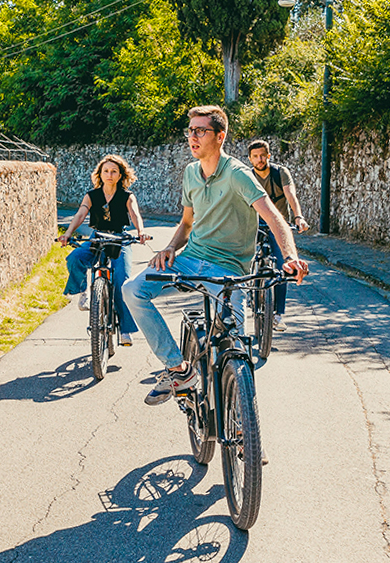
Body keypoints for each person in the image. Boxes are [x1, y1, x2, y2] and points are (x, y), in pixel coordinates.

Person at [123, 106, 309, 405]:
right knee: (132, 290)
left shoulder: (238, 175)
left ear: (219, 136)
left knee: (236, 348)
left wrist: (290, 257)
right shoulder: (190, 173)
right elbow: (186, 224)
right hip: (188, 259)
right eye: (190, 131)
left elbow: (274, 217)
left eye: (200, 131)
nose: (192, 137)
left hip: (229, 271)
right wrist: (170, 248)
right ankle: (178, 368)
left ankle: (246, 432)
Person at [57, 154, 150, 346]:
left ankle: (125, 330)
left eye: (114, 171)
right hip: (97, 237)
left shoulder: (127, 196)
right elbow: (81, 214)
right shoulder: (92, 195)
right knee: (74, 258)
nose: (109, 174)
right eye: (106, 171)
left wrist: (141, 232)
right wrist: (67, 234)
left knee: (122, 282)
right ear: (100, 173)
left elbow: (135, 214)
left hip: (119, 239)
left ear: (120, 175)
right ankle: (83, 291)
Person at [245, 139, 309, 329]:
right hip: (254, 223)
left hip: (278, 225)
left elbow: (291, 196)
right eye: (255, 156)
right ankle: (250, 289)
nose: (260, 159)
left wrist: (298, 217)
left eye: (263, 155)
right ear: (250, 159)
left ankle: (278, 314)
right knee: (243, 255)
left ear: (269, 156)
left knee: (283, 267)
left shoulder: (280, 173)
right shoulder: (247, 176)